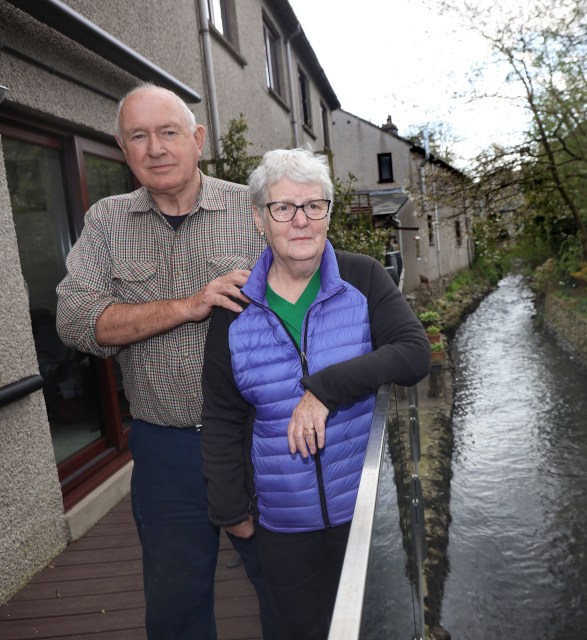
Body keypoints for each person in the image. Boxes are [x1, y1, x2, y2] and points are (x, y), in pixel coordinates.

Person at [56, 83, 275, 640]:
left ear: (198, 139)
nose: (155, 148)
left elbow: (314, 296)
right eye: (139, 136)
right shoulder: (108, 221)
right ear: (123, 149)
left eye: (169, 132)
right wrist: (188, 305)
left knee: (285, 588)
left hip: (259, 441)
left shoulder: (253, 210)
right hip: (164, 446)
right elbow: (76, 320)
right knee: (176, 606)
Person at [200, 147, 431, 639]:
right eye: (283, 208)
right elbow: (221, 414)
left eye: (313, 205)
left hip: (363, 510)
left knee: (367, 626)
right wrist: (230, 509)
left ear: (328, 210)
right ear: (259, 218)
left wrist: (326, 388)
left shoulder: (362, 277)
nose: (300, 220)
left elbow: (413, 353)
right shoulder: (234, 309)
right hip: (281, 523)